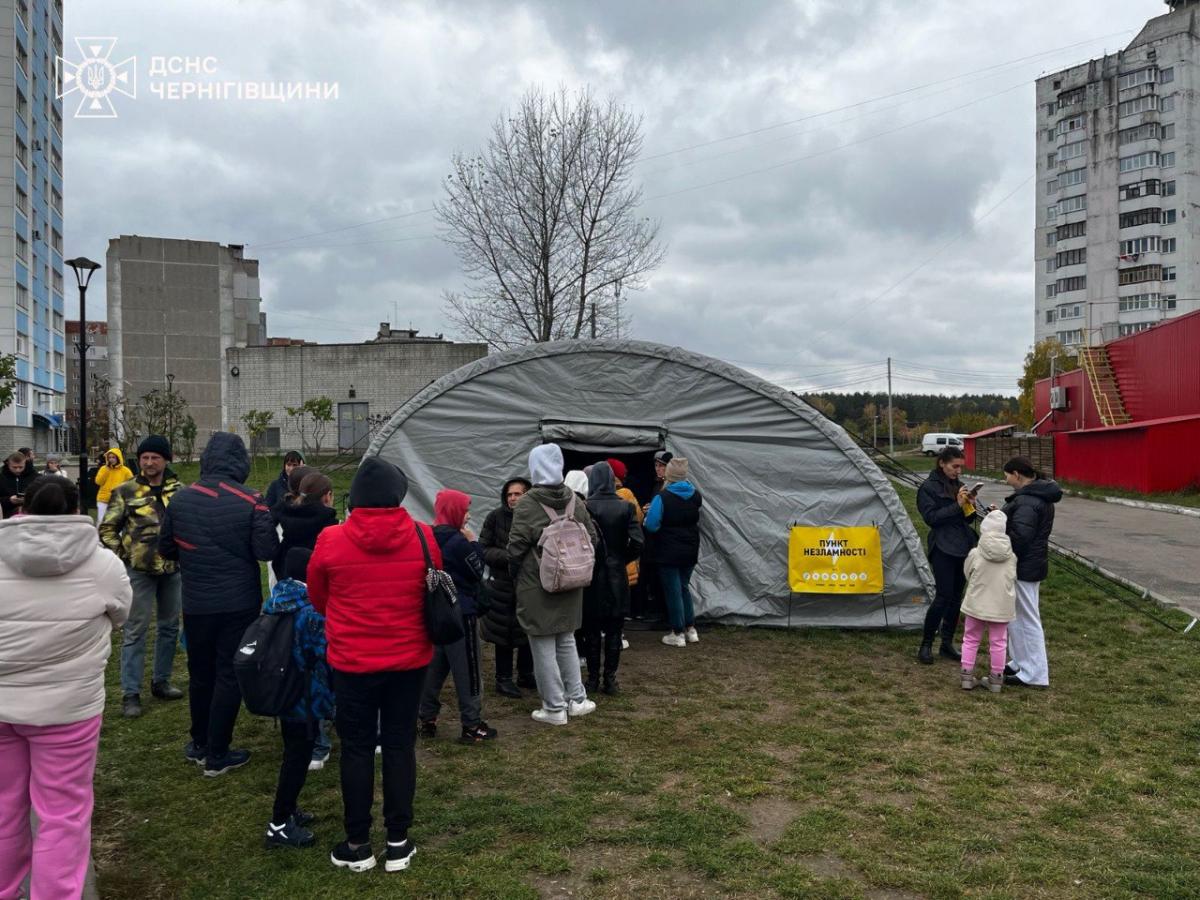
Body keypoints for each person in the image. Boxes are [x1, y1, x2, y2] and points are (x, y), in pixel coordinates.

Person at [0, 476, 132, 899]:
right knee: (64, 815)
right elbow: (121, 614)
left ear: (25, 507)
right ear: (77, 509)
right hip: (69, 709)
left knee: (3, 809)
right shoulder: (103, 564)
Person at [307, 458, 433, 873]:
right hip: (409, 659)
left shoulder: (330, 539)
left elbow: (318, 597)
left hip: (352, 662)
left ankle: (357, 843)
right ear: (398, 494)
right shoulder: (424, 536)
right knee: (399, 745)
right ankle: (398, 841)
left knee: (356, 749)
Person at [158, 432, 279, 777]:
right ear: (241, 461)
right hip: (238, 601)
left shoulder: (180, 500)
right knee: (229, 673)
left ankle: (199, 743)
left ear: (207, 459)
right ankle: (218, 751)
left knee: (201, 672)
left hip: (196, 603)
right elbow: (266, 551)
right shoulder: (253, 500)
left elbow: (166, 549)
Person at [507, 443, 598, 726]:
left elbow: (515, 547)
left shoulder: (528, 503)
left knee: (542, 642)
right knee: (566, 638)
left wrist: (518, 571)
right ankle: (577, 699)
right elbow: (592, 537)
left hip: (538, 583)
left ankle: (554, 707)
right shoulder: (574, 499)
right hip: (572, 580)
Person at [99, 435, 185, 719]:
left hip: (172, 570)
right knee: (136, 630)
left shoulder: (179, 491)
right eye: (144, 458)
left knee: (169, 627)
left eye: (155, 458)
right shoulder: (126, 491)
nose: (149, 463)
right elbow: (107, 528)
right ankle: (130, 693)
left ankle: (161, 681)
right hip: (139, 572)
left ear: (166, 459)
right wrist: (125, 554)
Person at [262, 548, 335, 850]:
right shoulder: (309, 611)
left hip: (282, 690)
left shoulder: (276, 601)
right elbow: (325, 652)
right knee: (297, 757)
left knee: (292, 753)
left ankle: (289, 810)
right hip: (304, 698)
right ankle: (278, 824)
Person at [419, 489, 497, 744]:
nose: (468, 515)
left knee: (435, 666)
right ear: (454, 511)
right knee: (468, 669)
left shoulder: (426, 537)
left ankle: (427, 717)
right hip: (461, 612)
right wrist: (474, 542)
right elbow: (477, 569)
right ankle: (472, 724)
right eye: (465, 510)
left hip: (434, 611)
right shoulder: (457, 542)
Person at [1000, 457, 1062, 689]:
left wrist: (999, 540)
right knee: (1015, 617)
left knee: (1027, 619)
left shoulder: (1028, 500)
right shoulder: (1035, 496)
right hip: (1028, 565)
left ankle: (1035, 673)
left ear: (1017, 474)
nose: (1005, 480)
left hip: (1023, 566)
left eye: (1007, 475)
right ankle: (1020, 662)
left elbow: (1020, 538)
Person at [581, 462, 643, 695]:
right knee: (615, 630)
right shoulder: (626, 507)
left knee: (592, 630)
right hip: (617, 575)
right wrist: (620, 559)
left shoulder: (586, 507)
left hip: (592, 576)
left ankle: (592, 679)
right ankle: (610, 679)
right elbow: (638, 542)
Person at [915, 446, 979, 665]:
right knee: (942, 597)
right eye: (955, 466)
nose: (958, 471)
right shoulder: (928, 488)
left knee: (955, 598)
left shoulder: (959, 486)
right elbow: (932, 518)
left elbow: (967, 519)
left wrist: (970, 506)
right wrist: (956, 505)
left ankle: (946, 644)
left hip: (963, 546)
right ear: (942, 463)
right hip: (942, 547)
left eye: (961, 467)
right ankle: (925, 644)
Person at [479, 477, 535, 698]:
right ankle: (503, 679)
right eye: (510, 494)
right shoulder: (495, 517)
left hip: (528, 583)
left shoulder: (534, 517)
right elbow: (483, 548)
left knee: (526, 630)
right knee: (503, 634)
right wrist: (509, 557)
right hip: (501, 585)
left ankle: (526, 673)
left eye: (517, 494)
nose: (512, 498)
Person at [644, 457, 702, 648]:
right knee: (684, 586)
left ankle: (677, 632)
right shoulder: (696, 495)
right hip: (691, 547)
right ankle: (690, 628)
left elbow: (651, 525)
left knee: (673, 590)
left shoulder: (663, 497)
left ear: (669, 475)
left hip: (668, 549)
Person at [959, 511, 1017, 694]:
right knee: (999, 642)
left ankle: (966, 676)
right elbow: (1013, 577)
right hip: (1001, 605)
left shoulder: (975, 553)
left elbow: (967, 573)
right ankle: (996, 679)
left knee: (970, 638)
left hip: (977, 601)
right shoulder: (1012, 556)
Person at [271, 471, 338, 582]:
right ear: (328, 496)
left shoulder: (287, 520)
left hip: (288, 591)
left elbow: (277, 563)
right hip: (319, 592)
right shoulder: (332, 528)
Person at [94, 447, 134, 523]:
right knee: (102, 522)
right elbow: (98, 482)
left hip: (118, 500)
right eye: (109, 457)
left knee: (117, 523)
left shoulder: (125, 471)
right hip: (103, 499)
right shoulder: (104, 469)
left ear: (118, 458)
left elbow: (131, 484)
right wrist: (106, 470)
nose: (111, 459)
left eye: (113, 457)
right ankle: (101, 535)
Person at [1, 451, 37, 519]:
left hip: (32, 515)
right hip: (7, 516)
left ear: (25, 463)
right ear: (8, 464)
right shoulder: (1, 478)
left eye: (21, 467)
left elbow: (42, 496)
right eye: (14, 467)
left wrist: (28, 499)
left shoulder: (35, 477)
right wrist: (9, 500)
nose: (18, 470)